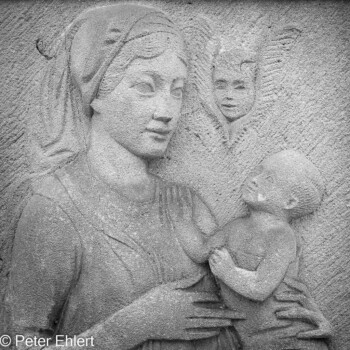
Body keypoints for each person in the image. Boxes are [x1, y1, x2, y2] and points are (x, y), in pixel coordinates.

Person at [6, 4, 330, 350]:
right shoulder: (53, 206)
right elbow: (16, 343)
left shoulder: (185, 203)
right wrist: (128, 327)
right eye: (146, 86)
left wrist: (292, 317)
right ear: (97, 91)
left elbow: (241, 305)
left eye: (177, 91)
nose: (167, 112)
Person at [170, 150, 330, 349]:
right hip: (249, 335)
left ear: (289, 202)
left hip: (285, 333)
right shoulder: (235, 226)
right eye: (257, 171)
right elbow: (200, 251)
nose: (254, 179)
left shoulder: (282, 236)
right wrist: (179, 220)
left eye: (269, 179)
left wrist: (229, 272)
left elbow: (261, 288)